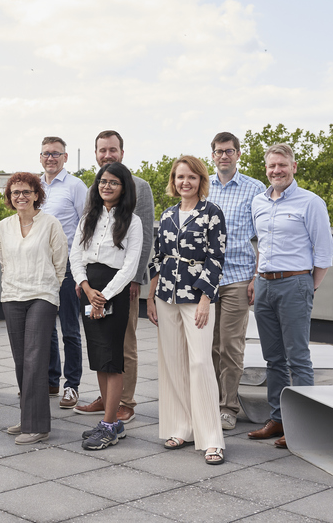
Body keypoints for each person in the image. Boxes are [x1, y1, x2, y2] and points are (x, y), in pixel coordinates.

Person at [247, 143, 333, 449]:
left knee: (298, 358)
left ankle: (303, 424)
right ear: (266, 169)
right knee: (273, 359)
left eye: (282, 165)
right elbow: (261, 246)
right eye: (271, 166)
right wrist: (257, 280)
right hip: (264, 285)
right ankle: (278, 419)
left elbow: (324, 254)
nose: (276, 171)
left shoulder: (311, 203)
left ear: (293, 167)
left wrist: (307, 288)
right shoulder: (258, 202)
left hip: (295, 284)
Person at [148, 155, 228, 465]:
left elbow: (216, 258)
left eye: (192, 177)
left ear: (200, 181)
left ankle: (212, 439)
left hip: (197, 297)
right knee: (173, 363)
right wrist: (150, 292)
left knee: (199, 362)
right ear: (173, 181)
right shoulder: (167, 215)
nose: (185, 182)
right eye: (180, 177)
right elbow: (158, 256)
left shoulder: (212, 213)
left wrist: (207, 298)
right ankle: (181, 427)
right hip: (166, 295)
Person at [74, 130, 154, 424]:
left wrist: (136, 279)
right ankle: (105, 398)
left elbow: (145, 237)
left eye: (112, 150)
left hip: (123, 280)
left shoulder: (140, 187)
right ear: (96, 153)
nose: (107, 155)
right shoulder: (93, 188)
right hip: (91, 281)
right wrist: (81, 278)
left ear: (122, 151)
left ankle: (125, 402)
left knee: (123, 343)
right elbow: (85, 236)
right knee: (98, 341)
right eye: (102, 150)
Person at [70, 162, 143, 450]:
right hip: (89, 288)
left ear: (124, 187)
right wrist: (87, 289)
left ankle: (110, 424)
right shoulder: (89, 217)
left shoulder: (133, 221)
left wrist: (105, 295)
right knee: (99, 356)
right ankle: (110, 421)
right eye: (103, 181)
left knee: (113, 359)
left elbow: (130, 266)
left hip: (114, 290)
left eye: (113, 182)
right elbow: (75, 255)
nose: (106, 186)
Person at [0, 172, 68, 445]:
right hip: (12, 295)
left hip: (42, 295)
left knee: (35, 358)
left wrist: (50, 288)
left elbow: (60, 262)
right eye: (15, 193)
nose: (20, 197)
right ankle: (28, 417)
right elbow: (4, 260)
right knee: (21, 359)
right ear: (9, 197)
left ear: (37, 194)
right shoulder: (3, 227)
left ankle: (38, 426)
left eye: (26, 191)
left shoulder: (50, 224)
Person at [206, 132, 265, 430]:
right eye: (219, 152)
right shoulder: (204, 187)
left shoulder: (255, 189)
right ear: (213, 155)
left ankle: (227, 407)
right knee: (209, 345)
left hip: (238, 278)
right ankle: (211, 401)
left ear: (238, 154)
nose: (224, 156)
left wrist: (257, 277)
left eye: (229, 151)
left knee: (230, 345)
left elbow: (265, 237)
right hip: (206, 280)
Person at [39, 137, 88, 410]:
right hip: (42, 267)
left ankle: (72, 385)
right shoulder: (36, 186)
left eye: (56, 154)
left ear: (65, 157)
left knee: (69, 328)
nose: (51, 158)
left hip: (68, 266)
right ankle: (50, 380)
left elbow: (86, 226)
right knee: (45, 328)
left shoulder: (75, 186)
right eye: (46, 153)